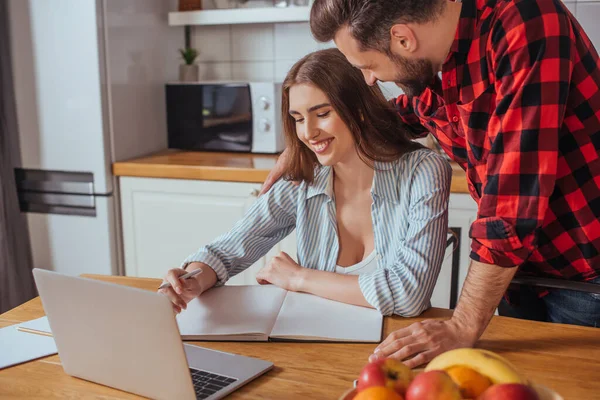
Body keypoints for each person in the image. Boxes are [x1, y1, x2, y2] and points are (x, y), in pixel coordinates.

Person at [261, 0, 600, 367]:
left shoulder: (526, 24)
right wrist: (312, 143)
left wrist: (462, 324)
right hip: (514, 275)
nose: (370, 80)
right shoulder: (439, 61)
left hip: (585, 277)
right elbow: (410, 114)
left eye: (368, 66)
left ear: (403, 39)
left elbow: (510, 206)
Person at [159, 48, 452, 317]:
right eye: (298, 118)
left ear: (359, 110)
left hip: (397, 350)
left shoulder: (424, 171)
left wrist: (298, 277)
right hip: (317, 347)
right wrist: (192, 279)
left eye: (322, 114)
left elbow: (408, 294)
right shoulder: (305, 179)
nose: (309, 132)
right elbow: (228, 249)